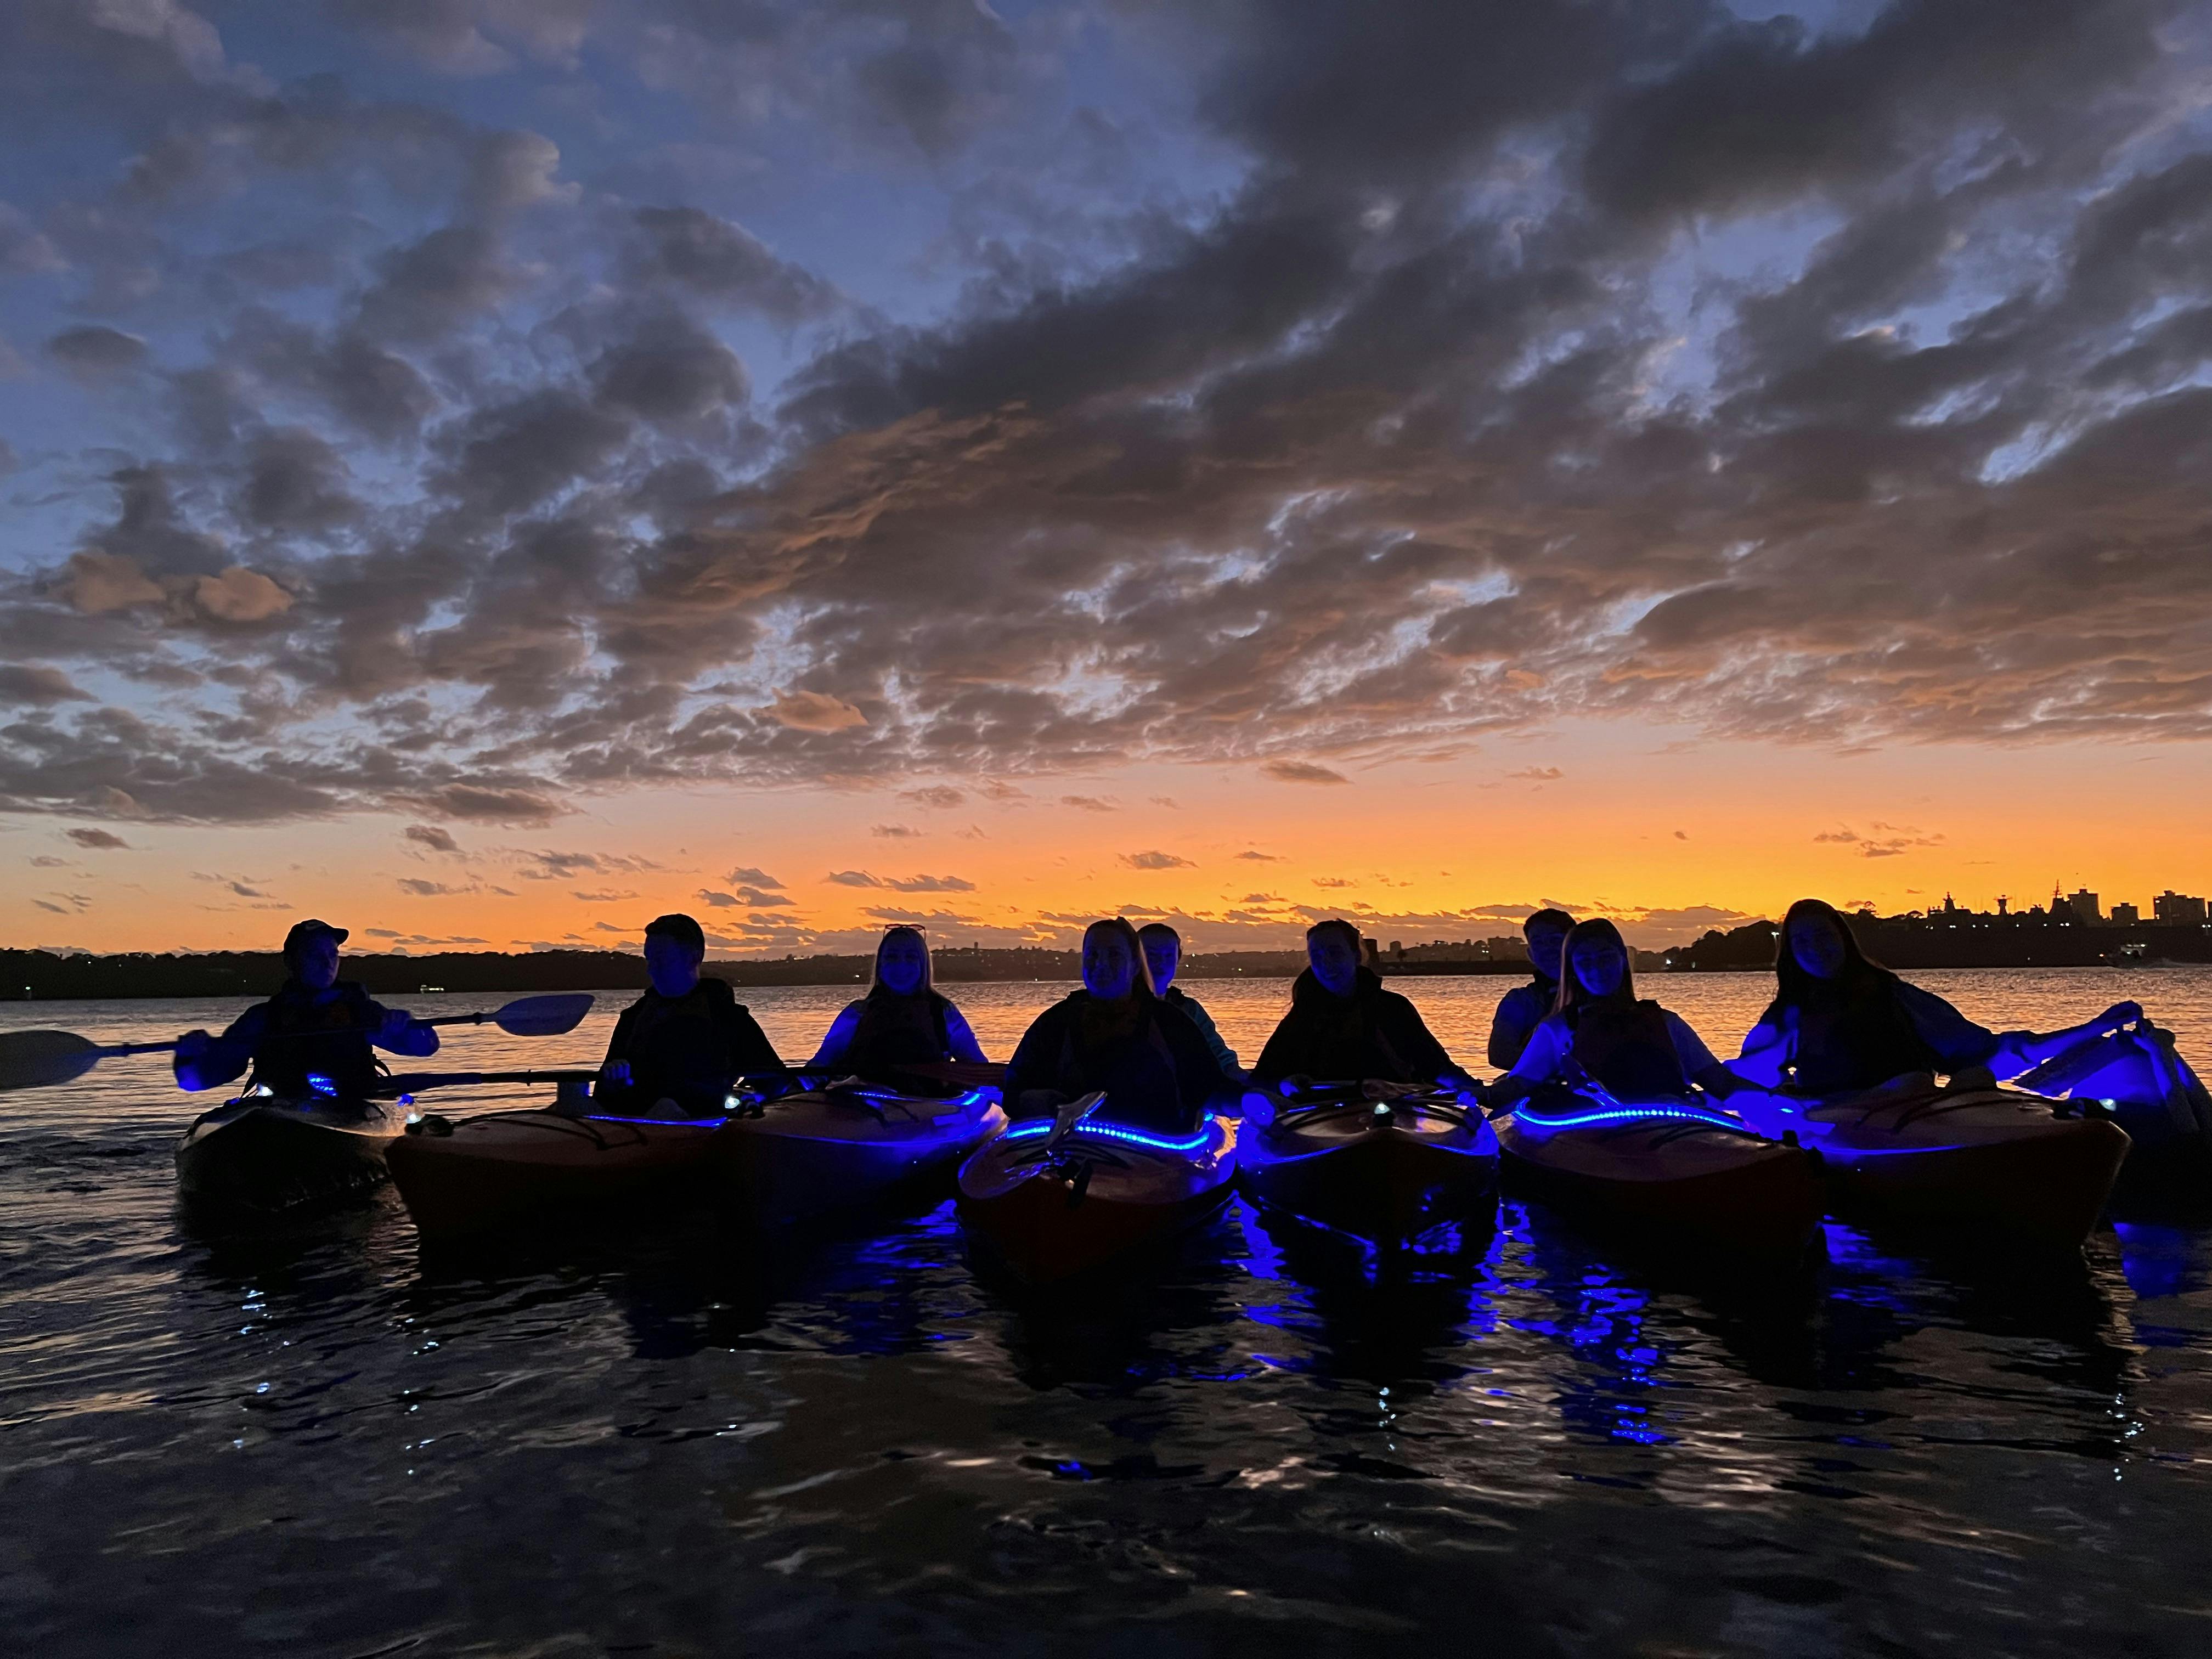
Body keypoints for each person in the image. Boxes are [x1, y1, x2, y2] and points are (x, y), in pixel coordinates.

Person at [1733, 898, 2142, 1095]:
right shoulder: (1789, 1016)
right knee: (1914, 1083)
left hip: (1917, 1109)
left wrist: (2094, 1028)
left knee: (1975, 1076)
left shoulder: (1894, 996)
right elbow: (1750, 1073)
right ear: (1789, 952)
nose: (1815, 948)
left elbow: (1996, 1052)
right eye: (1802, 941)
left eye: (1824, 936)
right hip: (1845, 1118)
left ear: (1844, 939)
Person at [1002, 917, 1238, 1134]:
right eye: (1092, 955)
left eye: (1114, 955)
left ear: (1136, 964)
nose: (1101, 964)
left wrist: (1252, 1101)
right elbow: (1013, 1092)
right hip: (1073, 1149)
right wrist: (1048, 1102)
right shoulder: (1055, 1023)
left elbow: (1210, 1089)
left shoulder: (1170, 1022)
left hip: (1156, 1155)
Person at [1487, 917, 1741, 1110]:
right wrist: (1476, 1094)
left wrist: (1770, 1099)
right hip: (1596, 1137)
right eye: (1586, 962)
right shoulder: (1558, 1029)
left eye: (1606, 958)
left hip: (1671, 1128)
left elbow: (1721, 1083)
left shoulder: (1666, 1023)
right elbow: (1518, 1085)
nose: (1598, 970)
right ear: (1573, 970)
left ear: (1622, 960)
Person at [173, 918, 439, 1099]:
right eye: (315, 955)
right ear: (291, 962)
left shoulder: (361, 1011)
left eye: (333, 954)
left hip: (352, 1101)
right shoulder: (262, 1019)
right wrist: (189, 1057)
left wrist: (408, 1025)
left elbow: (425, 1047)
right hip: (281, 1108)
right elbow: (197, 1081)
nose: (327, 963)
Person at [1251, 918, 1475, 1093]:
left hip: (1396, 1111)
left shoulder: (1393, 1008)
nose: (1326, 963)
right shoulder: (1301, 1018)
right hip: (1322, 1116)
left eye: (1335, 953)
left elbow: (1436, 1066)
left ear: (1356, 956)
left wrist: (1479, 1091)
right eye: (1316, 955)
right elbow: (1263, 1079)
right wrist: (1285, 1084)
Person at [597, 913, 782, 1117]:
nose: (652, 969)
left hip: (700, 1122)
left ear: (694, 958)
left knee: (667, 1108)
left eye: (663, 959)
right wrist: (612, 1082)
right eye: (649, 959)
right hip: (629, 1122)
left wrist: (748, 1099)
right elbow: (603, 1094)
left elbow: (776, 1082)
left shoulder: (727, 1017)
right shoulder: (633, 1018)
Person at [808, 925, 989, 1085]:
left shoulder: (943, 1014)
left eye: (911, 958)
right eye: (892, 958)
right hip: (863, 1109)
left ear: (923, 965)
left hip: (926, 1108)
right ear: (881, 965)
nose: (901, 967)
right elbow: (820, 1067)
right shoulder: (856, 1015)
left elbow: (980, 1071)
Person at [1137, 922, 1245, 1083]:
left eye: (1168, 956)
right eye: (1151, 956)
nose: (1160, 963)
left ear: (1178, 958)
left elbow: (1221, 1056)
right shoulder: (1122, 1008)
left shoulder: (1189, 1009)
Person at [1488, 907, 1573, 1069]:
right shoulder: (1520, 1001)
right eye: (1539, 943)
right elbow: (1500, 1055)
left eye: (1555, 940)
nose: (1547, 949)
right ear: (1531, 955)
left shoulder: (1597, 993)